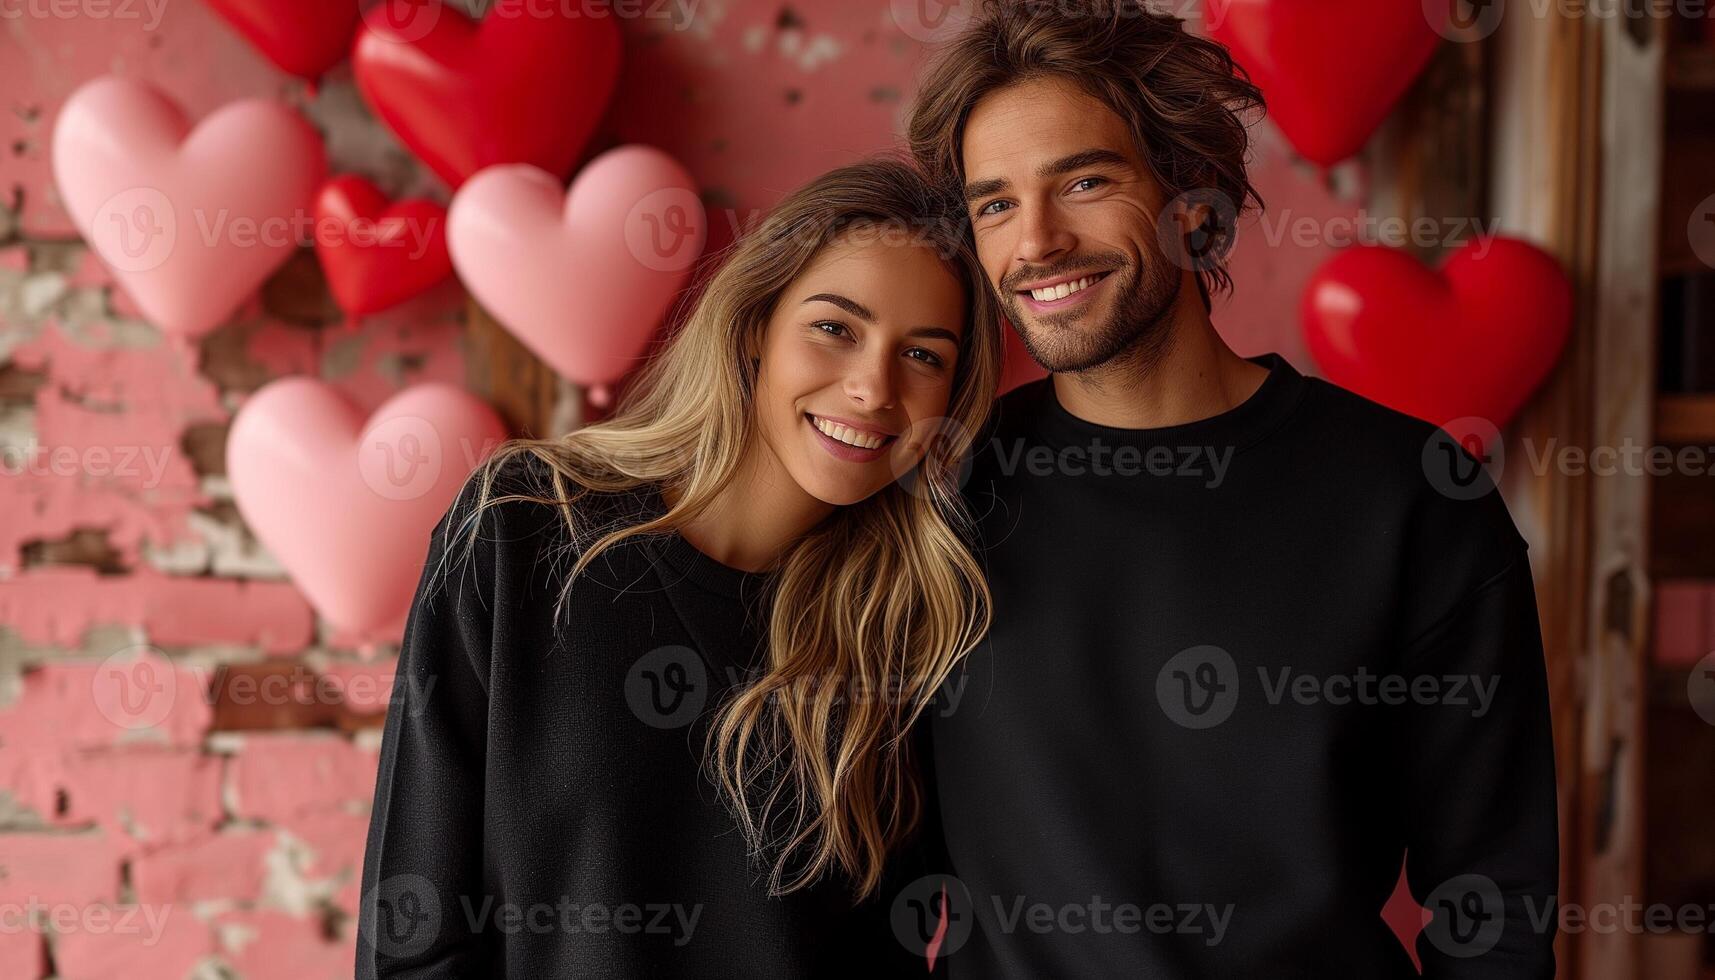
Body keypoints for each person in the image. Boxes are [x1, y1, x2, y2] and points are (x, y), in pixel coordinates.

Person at [901, 2, 1560, 977]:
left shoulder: (1409, 496)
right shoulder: (940, 495)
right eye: (993, 203)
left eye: (1081, 180)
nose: (1033, 242)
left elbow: (1493, 902)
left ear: (1194, 199)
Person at [354, 157, 1002, 977]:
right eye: (835, 328)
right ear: (753, 328)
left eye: (922, 356)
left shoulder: (917, 625)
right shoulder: (522, 529)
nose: (874, 388)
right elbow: (413, 928)